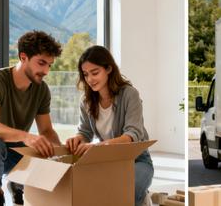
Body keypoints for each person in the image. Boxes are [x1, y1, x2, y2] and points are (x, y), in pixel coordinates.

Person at [0, 31, 63, 206]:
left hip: (19, 152)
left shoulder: (41, 89)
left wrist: (61, 154)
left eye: (49, 65)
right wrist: (27, 137)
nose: (45, 71)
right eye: (41, 63)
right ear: (23, 57)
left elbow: (46, 130)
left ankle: (17, 183)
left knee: (45, 151)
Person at [65, 45, 154, 206]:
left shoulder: (129, 94)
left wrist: (99, 146)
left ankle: (141, 198)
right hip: (106, 161)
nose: (90, 79)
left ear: (108, 69)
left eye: (95, 72)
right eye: (85, 75)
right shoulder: (86, 101)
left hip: (137, 160)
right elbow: (84, 132)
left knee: (127, 190)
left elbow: (132, 135)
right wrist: (77, 139)